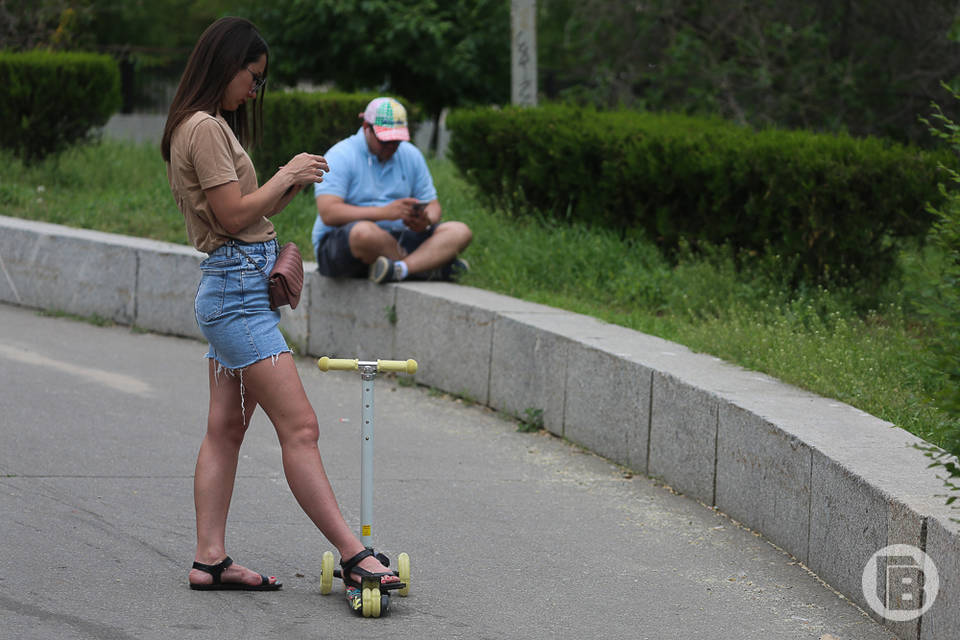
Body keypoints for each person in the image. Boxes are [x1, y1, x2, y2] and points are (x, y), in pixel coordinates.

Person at [161, 17, 401, 600]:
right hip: (237, 300)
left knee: (225, 429)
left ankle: (209, 560)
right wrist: (287, 174)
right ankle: (353, 554)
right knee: (302, 427)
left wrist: (287, 186)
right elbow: (234, 216)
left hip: (233, 291)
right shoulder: (204, 128)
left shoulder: (202, 125)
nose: (254, 89)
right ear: (227, 63)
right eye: (253, 76)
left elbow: (241, 212)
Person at [312, 97, 472, 284]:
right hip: (345, 244)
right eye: (384, 140)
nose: (391, 147)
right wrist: (385, 213)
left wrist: (425, 220)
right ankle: (427, 266)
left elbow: (434, 206)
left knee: (459, 231)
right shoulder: (341, 155)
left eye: (396, 141)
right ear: (366, 128)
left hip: (400, 237)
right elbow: (329, 212)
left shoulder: (410, 154)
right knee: (364, 233)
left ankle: (399, 269)